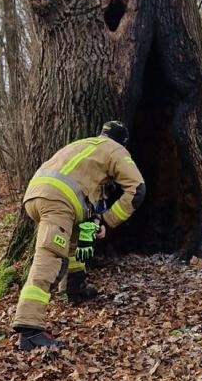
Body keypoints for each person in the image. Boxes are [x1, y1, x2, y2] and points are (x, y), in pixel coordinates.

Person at [12, 121, 145, 350]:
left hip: (36, 194)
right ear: (123, 142)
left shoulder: (84, 145)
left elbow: (87, 188)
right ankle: (29, 329)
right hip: (59, 201)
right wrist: (108, 219)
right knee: (50, 256)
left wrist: (95, 218)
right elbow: (137, 189)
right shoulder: (116, 150)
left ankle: (75, 287)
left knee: (71, 241)